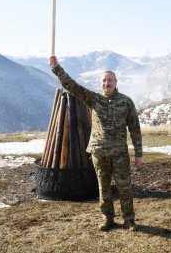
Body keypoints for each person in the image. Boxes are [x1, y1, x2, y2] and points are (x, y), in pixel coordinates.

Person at [49, 56, 143, 231]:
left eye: (110, 80)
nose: (107, 83)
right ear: (101, 83)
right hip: (98, 152)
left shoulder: (126, 101)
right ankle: (108, 218)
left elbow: (135, 128)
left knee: (124, 187)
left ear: (116, 82)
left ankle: (129, 219)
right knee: (103, 187)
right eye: (104, 80)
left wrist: (138, 153)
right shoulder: (93, 99)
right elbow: (72, 86)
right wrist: (56, 68)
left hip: (119, 153)